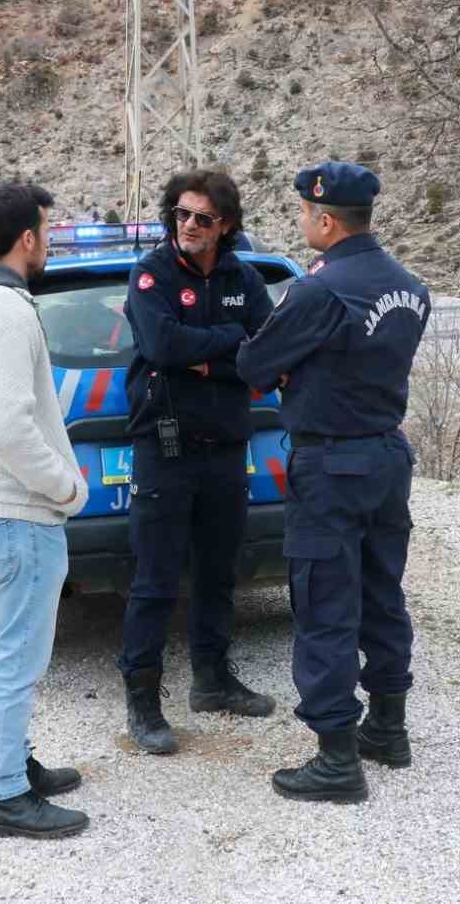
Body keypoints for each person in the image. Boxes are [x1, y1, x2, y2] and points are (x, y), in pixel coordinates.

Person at [236, 161, 431, 804]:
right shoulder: (410, 287)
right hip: (387, 458)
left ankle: (336, 760)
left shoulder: (321, 290)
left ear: (324, 218)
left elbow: (255, 364)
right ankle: (389, 729)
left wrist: (295, 371)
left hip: (332, 464)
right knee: (383, 592)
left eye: (303, 212)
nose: (301, 222)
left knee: (325, 605)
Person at [0, 181, 91, 838]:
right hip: (18, 513)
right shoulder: (3, 310)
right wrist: (64, 485)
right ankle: (4, 794)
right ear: (26, 238)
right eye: (47, 233)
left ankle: (15, 766)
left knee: (13, 653)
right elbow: (7, 427)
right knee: (15, 658)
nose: (48, 244)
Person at [117, 169, 277, 754]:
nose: (188, 225)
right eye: (181, 214)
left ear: (225, 225)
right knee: (155, 582)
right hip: (164, 450)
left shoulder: (245, 277)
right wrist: (228, 343)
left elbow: (268, 353)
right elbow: (160, 346)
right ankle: (143, 703)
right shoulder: (151, 273)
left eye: (203, 218)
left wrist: (207, 352)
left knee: (217, 574)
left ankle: (212, 681)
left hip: (227, 449)